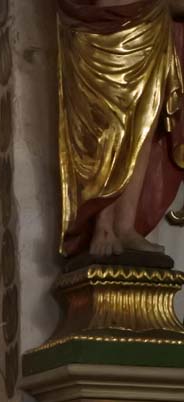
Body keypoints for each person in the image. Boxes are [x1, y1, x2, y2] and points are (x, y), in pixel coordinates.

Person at [58, 0, 184, 257]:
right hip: (101, 28)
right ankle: (103, 225)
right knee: (108, 128)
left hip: (151, 24)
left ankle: (125, 226)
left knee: (144, 126)